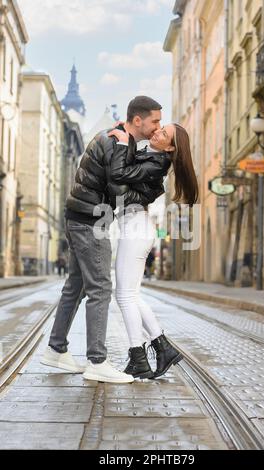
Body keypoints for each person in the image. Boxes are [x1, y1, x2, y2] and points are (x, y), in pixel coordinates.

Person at [41, 96, 166, 384]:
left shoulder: (122, 141)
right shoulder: (115, 141)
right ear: (138, 120)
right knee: (100, 288)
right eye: (155, 121)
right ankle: (97, 360)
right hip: (90, 221)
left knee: (76, 285)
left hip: (79, 215)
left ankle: (55, 349)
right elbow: (120, 190)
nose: (157, 126)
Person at [107, 121, 198, 379]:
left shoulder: (158, 163)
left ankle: (138, 357)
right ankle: (162, 347)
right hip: (134, 225)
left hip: (136, 227)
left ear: (170, 146)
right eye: (160, 127)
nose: (157, 131)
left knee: (124, 296)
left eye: (164, 133)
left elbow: (121, 174)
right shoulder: (153, 156)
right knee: (131, 295)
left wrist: (124, 143)